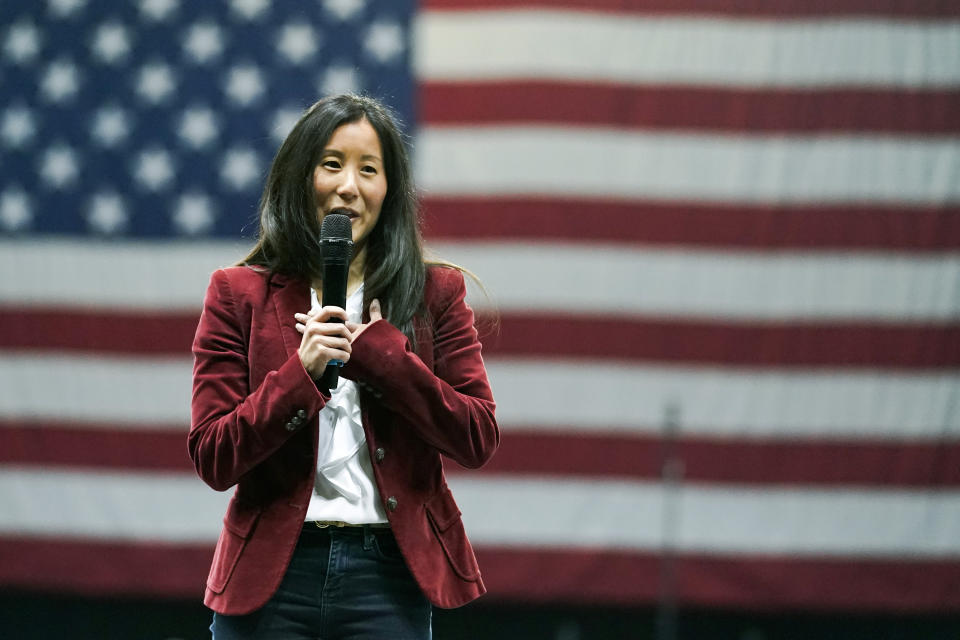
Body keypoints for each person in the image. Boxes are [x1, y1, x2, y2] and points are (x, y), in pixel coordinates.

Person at [188, 93, 499, 639]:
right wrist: (299, 376)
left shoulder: (436, 293)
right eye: (331, 164)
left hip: (388, 578)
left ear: (390, 189)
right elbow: (214, 456)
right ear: (299, 176)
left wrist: (386, 360)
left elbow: (476, 436)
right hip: (271, 578)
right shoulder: (237, 293)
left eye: (369, 170)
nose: (348, 186)